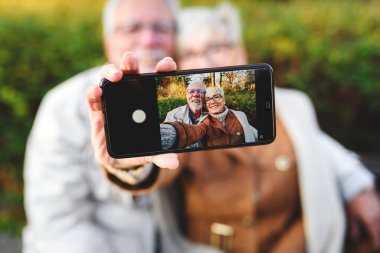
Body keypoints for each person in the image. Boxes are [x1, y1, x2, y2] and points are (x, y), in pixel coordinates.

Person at [87, 3, 380, 253]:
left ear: (240, 52)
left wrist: (356, 185)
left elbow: (318, 145)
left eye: (216, 47)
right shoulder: (185, 116)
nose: (206, 61)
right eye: (190, 53)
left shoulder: (292, 105)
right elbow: (167, 156)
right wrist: (131, 163)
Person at [23, 0, 180, 253]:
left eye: (161, 28)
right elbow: (59, 222)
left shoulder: (183, 97)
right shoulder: (64, 107)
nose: (149, 39)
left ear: (175, 37)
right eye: (132, 28)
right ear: (108, 41)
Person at [163, 86, 258, 149]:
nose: (212, 102)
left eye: (216, 97)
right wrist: (170, 133)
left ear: (224, 100)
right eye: (208, 99)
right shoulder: (205, 123)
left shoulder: (240, 116)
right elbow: (193, 132)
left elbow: (253, 133)